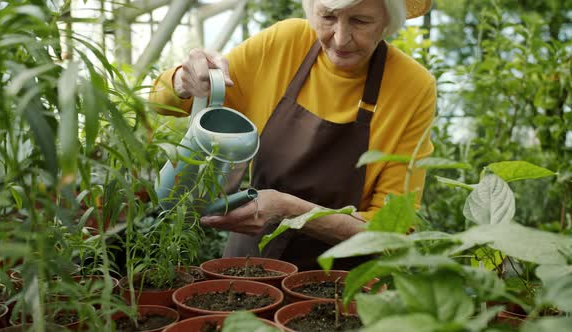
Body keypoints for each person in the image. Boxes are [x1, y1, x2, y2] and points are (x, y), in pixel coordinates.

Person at [149, 0, 436, 270]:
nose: (340, 38)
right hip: (250, 264)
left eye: (360, 21)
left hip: (339, 282)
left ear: (388, 20)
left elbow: (392, 235)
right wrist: (183, 82)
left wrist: (290, 211)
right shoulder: (283, 44)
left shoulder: (412, 86)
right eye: (327, 16)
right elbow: (158, 100)